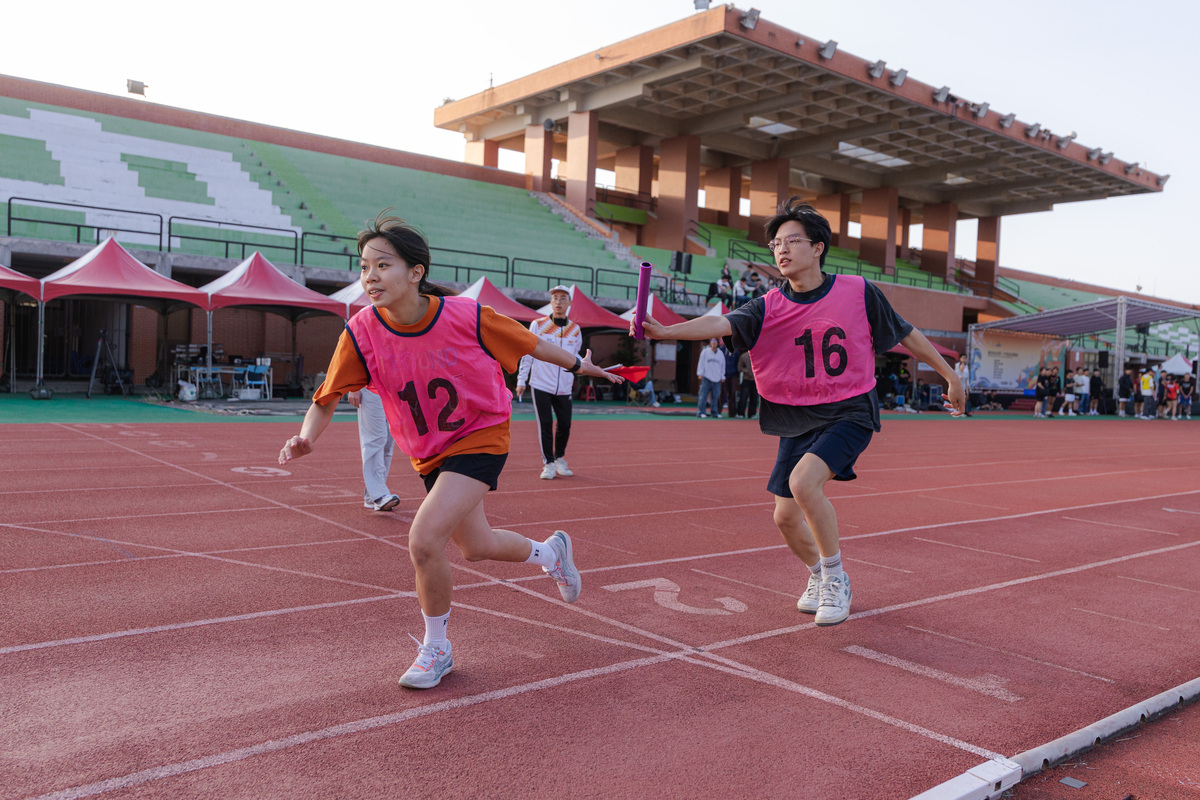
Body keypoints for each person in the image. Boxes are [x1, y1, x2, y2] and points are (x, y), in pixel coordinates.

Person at [279, 213, 622, 690]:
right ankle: (551, 553)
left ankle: (436, 648)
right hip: (430, 452)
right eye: (364, 267)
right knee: (476, 546)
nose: (370, 277)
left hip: (481, 434)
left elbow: (533, 344)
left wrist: (584, 368)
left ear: (415, 272)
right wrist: (306, 437)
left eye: (383, 265)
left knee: (423, 540)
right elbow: (327, 397)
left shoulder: (464, 315)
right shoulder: (361, 331)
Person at [635, 198, 965, 627]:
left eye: (792, 241)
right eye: (775, 244)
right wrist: (667, 331)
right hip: (797, 415)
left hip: (850, 409)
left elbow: (908, 335)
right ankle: (818, 574)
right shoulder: (768, 305)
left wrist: (950, 375)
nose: (782, 250)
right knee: (786, 517)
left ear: (818, 248)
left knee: (804, 483)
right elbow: (720, 324)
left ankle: (836, 579)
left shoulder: (858, 291)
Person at [516, 285, 582, 480]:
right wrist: (521, 380)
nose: (558, 302)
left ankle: (559, 458)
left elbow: (576, 356)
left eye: (563, 298)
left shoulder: (575, 329)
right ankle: (549, 463)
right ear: (550, 302)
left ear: (569, 303)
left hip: (564, 386)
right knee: (545, 424)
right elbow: (528, 352)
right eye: (555, 298)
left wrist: (587, 366)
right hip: (541, 384)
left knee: (565, 424)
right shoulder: (538, 325)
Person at [346, 386, 400, 511]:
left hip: (392, 387)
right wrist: (354, 388)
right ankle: (379, 495)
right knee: (376, 439)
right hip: (370, 386)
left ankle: (372, 495)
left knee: (388, 442)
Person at [696, 337, 724, 418]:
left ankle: (714, 413)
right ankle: (701, 412)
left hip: (717, 379)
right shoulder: (705, 352)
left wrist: (722, 376)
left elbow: (723, 366)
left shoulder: (720, 354)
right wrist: (700, 373)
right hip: (706, 377)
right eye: (712, 340)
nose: (714, 342)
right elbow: (701, 363)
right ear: (710, 342)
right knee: (703, 396)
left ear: (718, 343)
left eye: (715, 341)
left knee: (715, 397)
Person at [737, 348, 758, 419]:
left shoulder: (757, 355)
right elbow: (739, 368)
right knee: (743, 396)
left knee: (754, 397)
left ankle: (752, 413)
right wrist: (747, 370)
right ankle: (740, 413)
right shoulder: (743, 356)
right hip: (746, 379)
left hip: (755, 380)